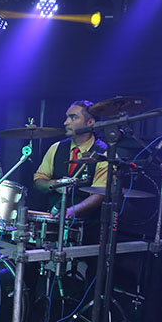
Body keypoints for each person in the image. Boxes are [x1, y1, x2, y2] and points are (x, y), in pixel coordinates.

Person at [33, 100, 107, 236]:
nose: (66, 122)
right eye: (67, 117)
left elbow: (100, 194)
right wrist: (53, 184)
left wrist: (72, 211)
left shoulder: (104, 154)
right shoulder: (56, 148)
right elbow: (38, 181)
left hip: (87, 230)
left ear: (90, 122)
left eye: (73, 118)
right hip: (51, 225)